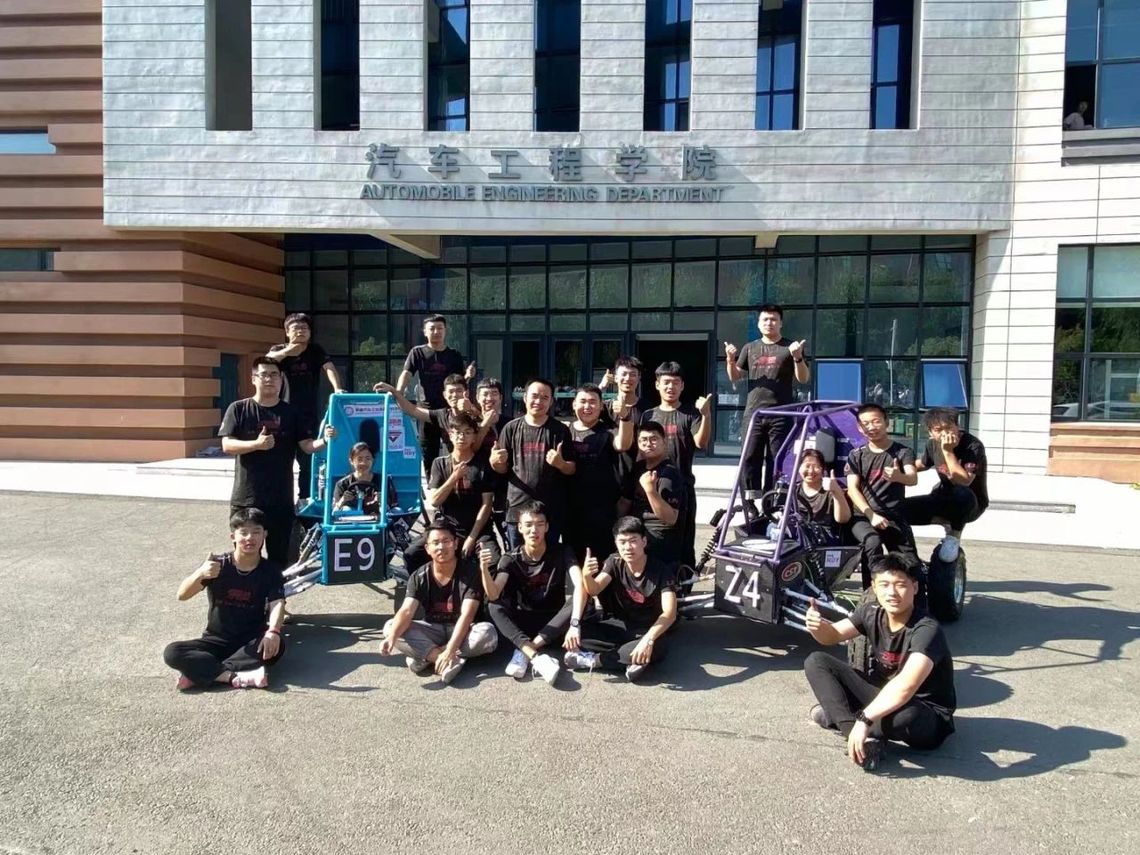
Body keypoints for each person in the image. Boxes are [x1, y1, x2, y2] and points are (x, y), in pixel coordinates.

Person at [803, 553, 957, 771]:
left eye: (900, 585)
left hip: (924, 713)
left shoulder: (927, 629)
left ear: (914, 588)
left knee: (906, 715)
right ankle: (857, 736)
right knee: (816, 661)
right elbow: (833, 635)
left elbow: (906, 686)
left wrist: (865, 720)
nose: (892, 592)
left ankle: (842, 719)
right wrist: (818, 627)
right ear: (874, 588)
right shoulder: (871, 612)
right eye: (884, 585)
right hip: (884, 695)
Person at [219, 357, 335, 565]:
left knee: (281, 561)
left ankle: (276, 588)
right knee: (246, 556)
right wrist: (256, 444)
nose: (269, 379)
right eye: (264, 374)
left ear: (281, 380)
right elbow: (227, 445)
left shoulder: (292, 413)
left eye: (274, 375)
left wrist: (325, 440)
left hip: (280, 499)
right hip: (247, 498)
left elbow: (307, 446)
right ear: (253, 378)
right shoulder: (238, 409)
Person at [163, 508, 286, 691]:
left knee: (277, 646)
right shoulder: (217, 565)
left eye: (256, 532)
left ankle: (200, 673)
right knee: (172, 652)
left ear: (264, 535)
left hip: (250, 640)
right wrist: (200, 574)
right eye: (243, 532)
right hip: (215, 639)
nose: (250, 538)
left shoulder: (271, 570)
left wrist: (273, 631)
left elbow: (277, 604)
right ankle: (234, 677)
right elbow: (182, 595)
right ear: (233, 536)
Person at [379, 518, 497, 684]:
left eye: (446, 541)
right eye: (435, 543)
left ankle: (425, 656)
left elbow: (467, 615)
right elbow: (406, 611)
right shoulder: (419, 575)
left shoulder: (471, 572)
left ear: (455, 544)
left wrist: (450, 648)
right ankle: (447, 660)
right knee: (390, 628)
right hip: (432, 629)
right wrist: (391, 638)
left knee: (487, 633)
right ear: (428, 548)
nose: (441, 547)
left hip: (463, 630)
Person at [562, 517, 677, 683]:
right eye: (622, 542)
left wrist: (648, 640)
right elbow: (594, 589)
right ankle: (632, 659)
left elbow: (670, 613)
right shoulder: (614, 561)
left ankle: (594, 660)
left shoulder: (661, 571)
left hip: (647, 628)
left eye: (633, 541)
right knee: (580, 633)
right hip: (620, 625)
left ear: (644, 541)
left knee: (658, 647)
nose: (628, 547)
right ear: (616, 543)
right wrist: (587, 575)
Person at [480, 502, 577, 685]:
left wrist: (575, 624)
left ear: (547, 527)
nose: (534, 530)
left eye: (539, 524)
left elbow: (579, 584)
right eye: (529, 525)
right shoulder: (510, 558)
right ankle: (536, 657)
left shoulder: (562, 551)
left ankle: (525, 650)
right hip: (523, 619)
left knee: (582, 597)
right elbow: (493, 594)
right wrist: (484, 570)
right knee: (493, 605)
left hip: (554, 621)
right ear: (520, 527)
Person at [724, 304, 810, 494]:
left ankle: (772, 500)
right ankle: (750, 501)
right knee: (749, 457)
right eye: (765, 319)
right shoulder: (750, 348)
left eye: (773, 319)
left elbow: (803, 378)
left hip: (781, 413)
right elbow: (735, 376)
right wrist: (730, 359)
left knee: (777, 458)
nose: (769, 323)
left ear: (781, 323)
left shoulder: (790, 347)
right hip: (753, 413)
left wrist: (797, 357)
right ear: (758, 323)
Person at [402, 411, 499, 571]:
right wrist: (454, 477)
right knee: (411, 554)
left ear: (474, 437)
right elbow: (435, 501)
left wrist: (472, 537)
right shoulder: (440, 464)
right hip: (447, 528)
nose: (462, 437)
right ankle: (431, 584)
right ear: (450, 435)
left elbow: (487, 505)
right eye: (458, 432)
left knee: (493, 562)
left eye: (467, 432)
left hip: (478, 530)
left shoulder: (483, 464)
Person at [266, 313, 344, 503]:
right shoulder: (278, 350)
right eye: (296, 328)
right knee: (280, 460)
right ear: (287, 332)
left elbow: (329, 368)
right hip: (282, 414)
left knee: (307, 461)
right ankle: (280, 500)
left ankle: (305, 499)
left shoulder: (315, 350)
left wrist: (337, 388)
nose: (301, 331)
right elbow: (266, 361)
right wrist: (288, 351)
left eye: (304, 328)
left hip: (307, 414)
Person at [490, 378, 577, 549]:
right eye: (534, 396)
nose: (539, 401)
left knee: (549, 557)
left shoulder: (560, 430)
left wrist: (560, 463)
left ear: (551, 401)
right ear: (525, 398)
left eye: (545, 398)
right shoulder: (511, 428)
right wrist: (495, 462)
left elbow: (572, 468)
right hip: (517, 508)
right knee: (516, 557)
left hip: (550, 509)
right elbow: (502, 468)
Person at [641, 361, 712, 567]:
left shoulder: (690, 414)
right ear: (657, 385)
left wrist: (706, 415)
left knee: (684, 542)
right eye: (666, 382)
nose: (670, 387)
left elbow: (701, 442)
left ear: (682, 386)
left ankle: (685, 580)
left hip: (683, 487)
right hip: (653, 485)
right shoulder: (649, 415)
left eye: (675, 382)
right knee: (652, 539)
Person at [386, 314, 476, 474]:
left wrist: (468, 376)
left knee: (456, 450)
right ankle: (433, 484)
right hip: (426, 412)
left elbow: (459, 382)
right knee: (429, 455)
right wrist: (398, 392)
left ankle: (458, 482)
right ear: (425, 332)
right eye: (432, 328)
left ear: (445, 330)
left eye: (440, 328)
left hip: (449, 412)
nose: (436, 332)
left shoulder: (454, 355)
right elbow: (406, 373)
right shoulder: (418, 353)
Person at [845, 403, 919, 587]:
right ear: (859, 428)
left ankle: (914, 599)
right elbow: (852, 489)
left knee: (910, 564)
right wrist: (871, 515)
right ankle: (871, 595)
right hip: (863, 517)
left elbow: (912, 479)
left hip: (894, 516)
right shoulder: (856, 455)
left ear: (887, 422)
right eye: (865, 423)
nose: (871, 427)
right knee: (872, 542)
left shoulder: (903, 452)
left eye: (876, 421)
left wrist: (899, 476)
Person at [901, 408, 988, 563]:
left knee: (961, 493)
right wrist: (898, 471)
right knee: (897, 511)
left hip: (970, 503)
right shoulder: (932, 444)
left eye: (949, 428)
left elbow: (964, 480)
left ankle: (954, 535)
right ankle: (910, 558)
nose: (944, 433)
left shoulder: (973, 446)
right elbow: (922, 464)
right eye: (938, 430)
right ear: (930, 432)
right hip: (941, 498)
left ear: (957, 426)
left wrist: (948, 451)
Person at [566, 383, 633, 563]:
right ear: (574, 404)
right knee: (574, 557)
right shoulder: (565, 431)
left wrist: (625, 417)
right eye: (583, 401)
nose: (587, 406)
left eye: (592, 402)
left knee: (602, 558)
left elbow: (623, 444)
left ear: (601, 406)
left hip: (602, 508)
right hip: (571, 507)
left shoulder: (608, 431)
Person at [619, 421, 686, 562]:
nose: (648, 444)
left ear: (664, 442)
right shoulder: (637, 468)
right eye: (643, 440)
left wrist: (650, 490)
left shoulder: (670, 473)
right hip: (636, 531)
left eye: (653, 439)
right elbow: (625, 503)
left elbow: (670, 518)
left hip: (658, 537)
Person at [374, 374, 478, 461]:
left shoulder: (476, 411)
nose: (454, 395)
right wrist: (394, 391)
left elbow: (486, 420)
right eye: (451, 392)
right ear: (445, 395)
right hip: (454, 465)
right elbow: (412, 409)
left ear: (467, 393)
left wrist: (471, 410)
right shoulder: (442, 415)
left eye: (459, 391)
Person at [795, 448, 851, 544]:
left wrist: (836, 491)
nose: (811, 471)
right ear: (798, 468)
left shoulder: (831, 488)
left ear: (823, 469)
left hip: (825, 538)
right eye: (807, 466)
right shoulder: (794, 490)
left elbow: (843, 519)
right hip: (798, 536)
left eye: (816, 467)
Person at [331, 441, 387, 516]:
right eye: (359, 459)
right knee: (347, 509)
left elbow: (393, 509)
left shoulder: (383, 481)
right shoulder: (342, 484)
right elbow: (334, 514)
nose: (363, 463)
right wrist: (343, 500)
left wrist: (382, 502)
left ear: (373, 460)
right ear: (351, 461)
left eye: (367, 458)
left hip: (377, 521)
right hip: (350, 522)